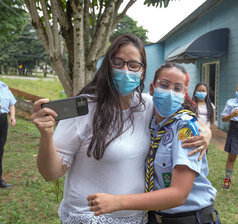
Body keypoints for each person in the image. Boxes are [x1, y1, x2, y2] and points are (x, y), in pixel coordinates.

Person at [31, 34, 211, 224]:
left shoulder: (147, 105)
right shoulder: (85, 109)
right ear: (107, 66)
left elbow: (181, 115)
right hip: (88, 216)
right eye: (118, 62)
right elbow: (50, 173)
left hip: (136, 217)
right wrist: (46, 135)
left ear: (142, 72)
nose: (125, 70)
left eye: (133, 65)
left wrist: (205, 132)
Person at [87, 63, 220, 224]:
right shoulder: (151, 121)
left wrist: (117, 202)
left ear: (184, 95)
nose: (170, 93)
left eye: (177, 88)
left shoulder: (185, 128)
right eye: (164, 85)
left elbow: (179, 193)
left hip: (189, 218)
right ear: (152, 88)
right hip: (156, 217)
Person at [0, 80, 16, 188]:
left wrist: (12, 116)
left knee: (0, 148)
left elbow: (12, 103)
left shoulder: (3, 85)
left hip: (2, 119)